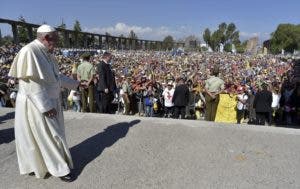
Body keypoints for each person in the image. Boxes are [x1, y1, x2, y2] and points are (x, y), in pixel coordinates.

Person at [8, 25, 80, 182]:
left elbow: (56, 77)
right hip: (36, 104)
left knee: (40, 137)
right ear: (47, 38)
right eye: (56, 39)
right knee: (49, 136)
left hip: (48, 100)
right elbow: (31, 84)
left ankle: (39, 165)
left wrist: (75, 84)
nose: (58, 43)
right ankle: (60, 169)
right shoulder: (29, 51)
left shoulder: (47, 53)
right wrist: (46, 107)